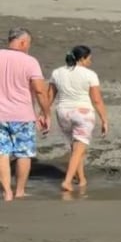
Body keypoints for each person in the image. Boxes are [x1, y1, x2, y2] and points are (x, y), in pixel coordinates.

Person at [0, 28, 52, 201]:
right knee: (23, 153)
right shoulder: (30, 61)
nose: (28, 47)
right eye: (28, 44)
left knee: (2, 153)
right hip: (22, 115)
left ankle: (6, 191)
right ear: (22, 42)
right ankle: (20, 191)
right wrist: (46, 113)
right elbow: (39, 90)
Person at [49, 45, 109, 192]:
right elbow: (97, 100)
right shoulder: (90, 75)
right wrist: (104, 119)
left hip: (63, 112)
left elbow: (50, 96)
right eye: (89, 58)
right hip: (83, 113)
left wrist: (43, 113)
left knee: (76, 148)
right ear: (82, 58)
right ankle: (67, 181)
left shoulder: (57, 72)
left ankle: (81, 179)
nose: (90, 61)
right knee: (78, 150)